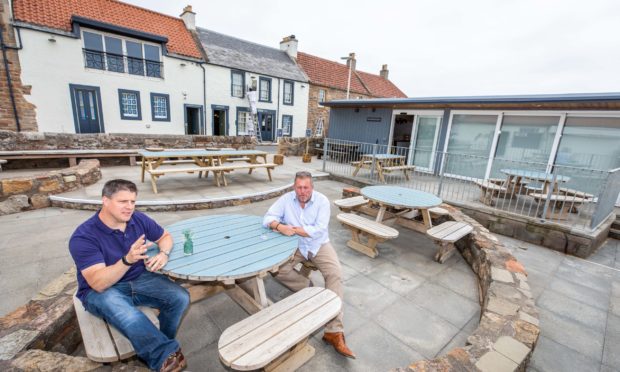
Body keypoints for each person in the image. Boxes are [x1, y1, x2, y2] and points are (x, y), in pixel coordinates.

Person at [69, 179, 190, 372]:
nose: (129, 207)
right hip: (101, 291)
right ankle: (164, 356)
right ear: (105, 201)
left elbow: (165, 236)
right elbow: (98, 283)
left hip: (139, 279)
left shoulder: (137, 219)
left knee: (180, 297)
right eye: (123, 201)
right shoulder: (84, 236)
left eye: (133, 202)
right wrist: (127, 260)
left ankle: (161, 344)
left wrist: (163, 254)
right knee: (129, 316)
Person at [263, 171, 355, 359]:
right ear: (294, 187)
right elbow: (267, 217)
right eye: (299, 187)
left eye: (306, 187)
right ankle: (308, 289)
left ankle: (333, 331)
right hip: (295, 245)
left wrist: (294, 229)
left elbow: (319, 230)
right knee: (277, 269)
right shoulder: (287, 199)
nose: (302, 191)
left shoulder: (322, 201)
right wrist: (280, 227)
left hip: (318, 244)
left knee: (335, 274)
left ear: (312, 187)